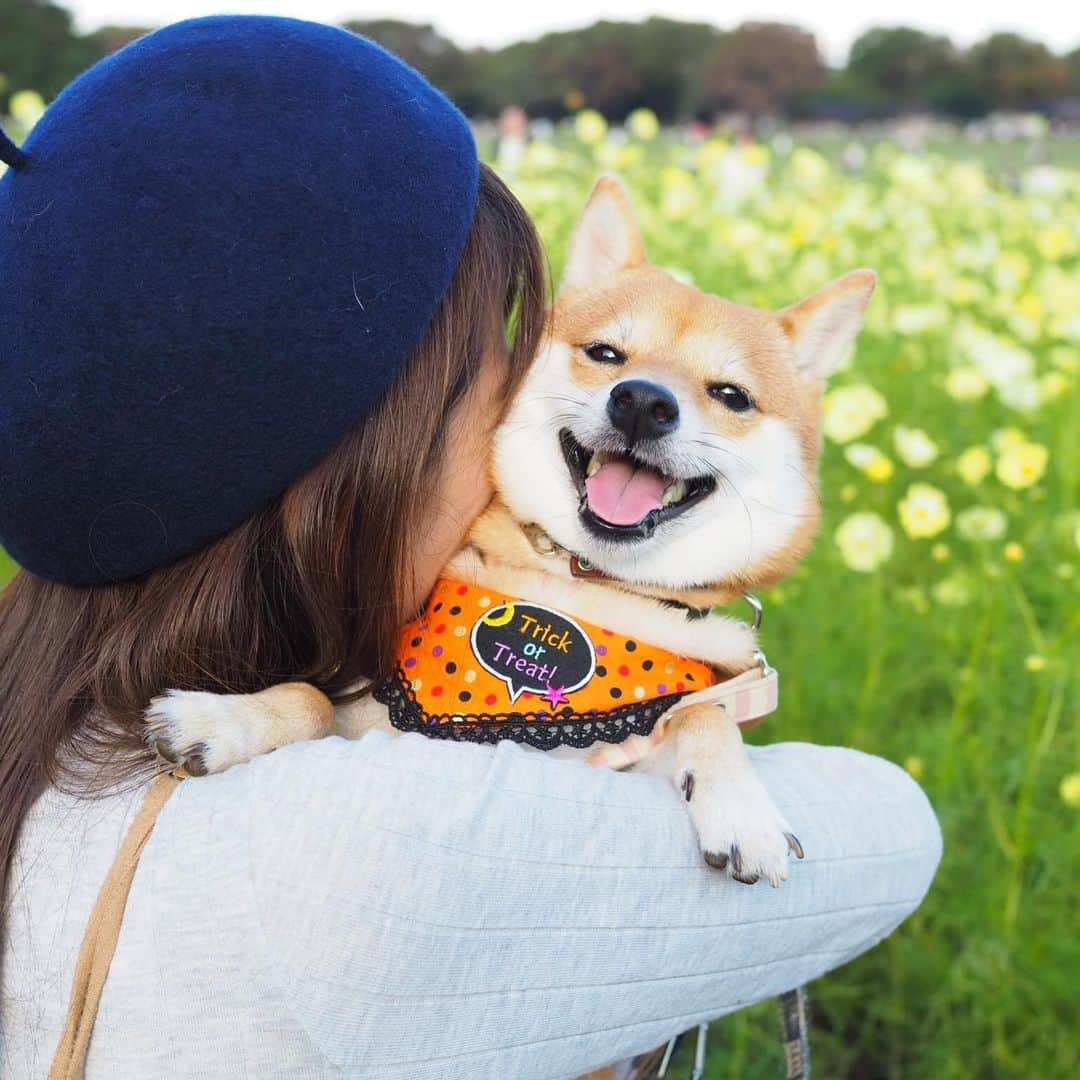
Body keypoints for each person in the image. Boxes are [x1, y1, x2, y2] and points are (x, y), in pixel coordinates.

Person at [0, 16, 942, 1079]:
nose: (516, 394)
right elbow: (893, 837)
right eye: (486, 365)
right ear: (345, 464)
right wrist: (703, 706)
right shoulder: (409, 850)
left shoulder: (43, 731)